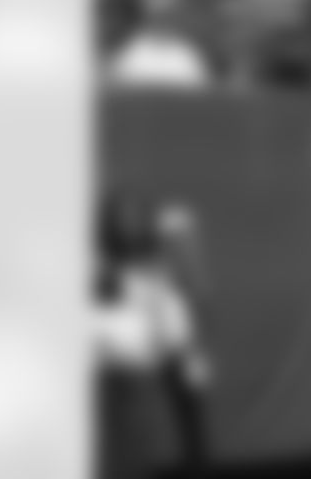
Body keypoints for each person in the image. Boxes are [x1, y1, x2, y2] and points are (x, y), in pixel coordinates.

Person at [95, 194, 211, 479]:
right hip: (136, 347)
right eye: (123, 217)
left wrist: (194, 346)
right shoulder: (108, 263)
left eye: (134, 215)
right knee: (133, 421)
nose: (130, 222)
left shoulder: (161, 249)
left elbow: (191, 288)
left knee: (191, 417)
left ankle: (196, 467)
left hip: (175, 342)